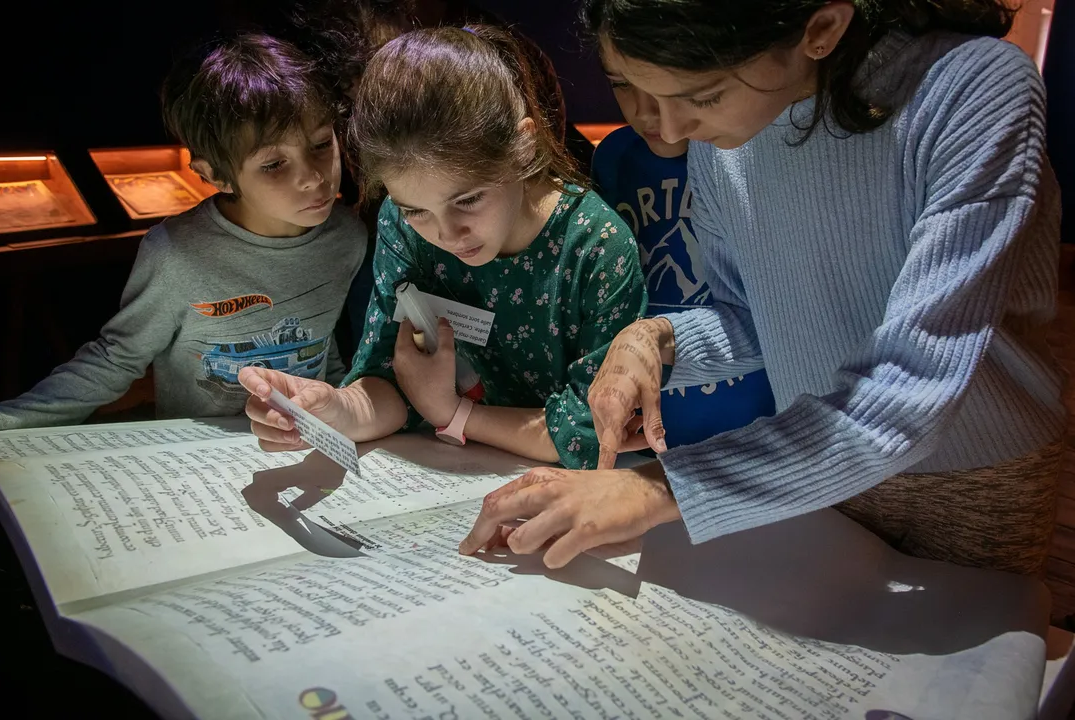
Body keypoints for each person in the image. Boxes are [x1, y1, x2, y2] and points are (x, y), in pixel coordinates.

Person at [460, 0, 1065, 577]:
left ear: (820, 29)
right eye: (629, 85)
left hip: (975, 471)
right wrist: (659, 338)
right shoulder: (720, 138)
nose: (666, 128)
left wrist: (656, 489)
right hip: (805, 459)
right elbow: (753, 315)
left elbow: (910, 391)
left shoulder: (972, 86)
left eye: (702, 95)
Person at [240, 26, 647, 470]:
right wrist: (333, 409)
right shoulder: (402, 226)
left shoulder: (595, 246)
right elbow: (388, 376)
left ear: (523, 146)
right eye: (416, 210)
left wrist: (453, 414)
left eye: (468, 200)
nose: (448, 234)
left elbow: (595, 429)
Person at [0, 34, 367, 430]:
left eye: (320, 144)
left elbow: (322, 346)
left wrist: (343, 417)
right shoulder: (177, 253)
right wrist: (8, 424)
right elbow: (117, 357)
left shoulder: (347, 238)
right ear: (216, 175)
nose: (312, 177)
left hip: (303, 440)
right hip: (195, 455)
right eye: (274, 164)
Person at [591, 69, 777, 448]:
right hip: (648, 433)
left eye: (664, 82)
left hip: (758, 431)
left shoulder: (749, 155)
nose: (645, 111)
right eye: (621, 83)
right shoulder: (612, 157)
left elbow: (783, 318)